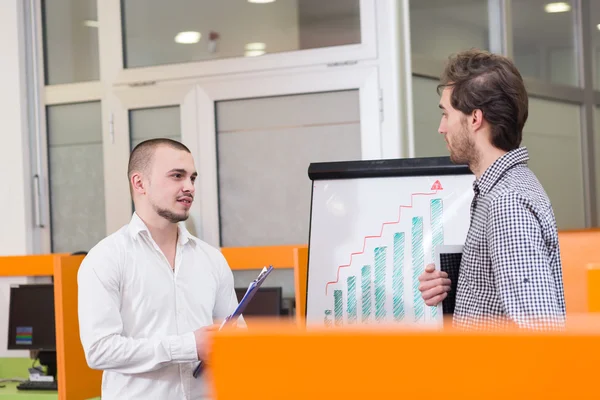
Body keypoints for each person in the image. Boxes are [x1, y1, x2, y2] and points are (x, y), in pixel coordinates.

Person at [77, 138, 241, 399]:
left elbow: (236, 339)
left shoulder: (212, 259)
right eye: (177, 176)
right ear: (139, 183)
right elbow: (99, 350)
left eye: (192, 178)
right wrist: (188, 346)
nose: (189, 187)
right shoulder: (105, 259)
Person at [418, 49, 566, 330]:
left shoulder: (507, 203)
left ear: (475, 118)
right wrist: (457, 285)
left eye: (446, 114)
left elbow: (540, 330)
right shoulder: (502, 188)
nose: (441, 127)